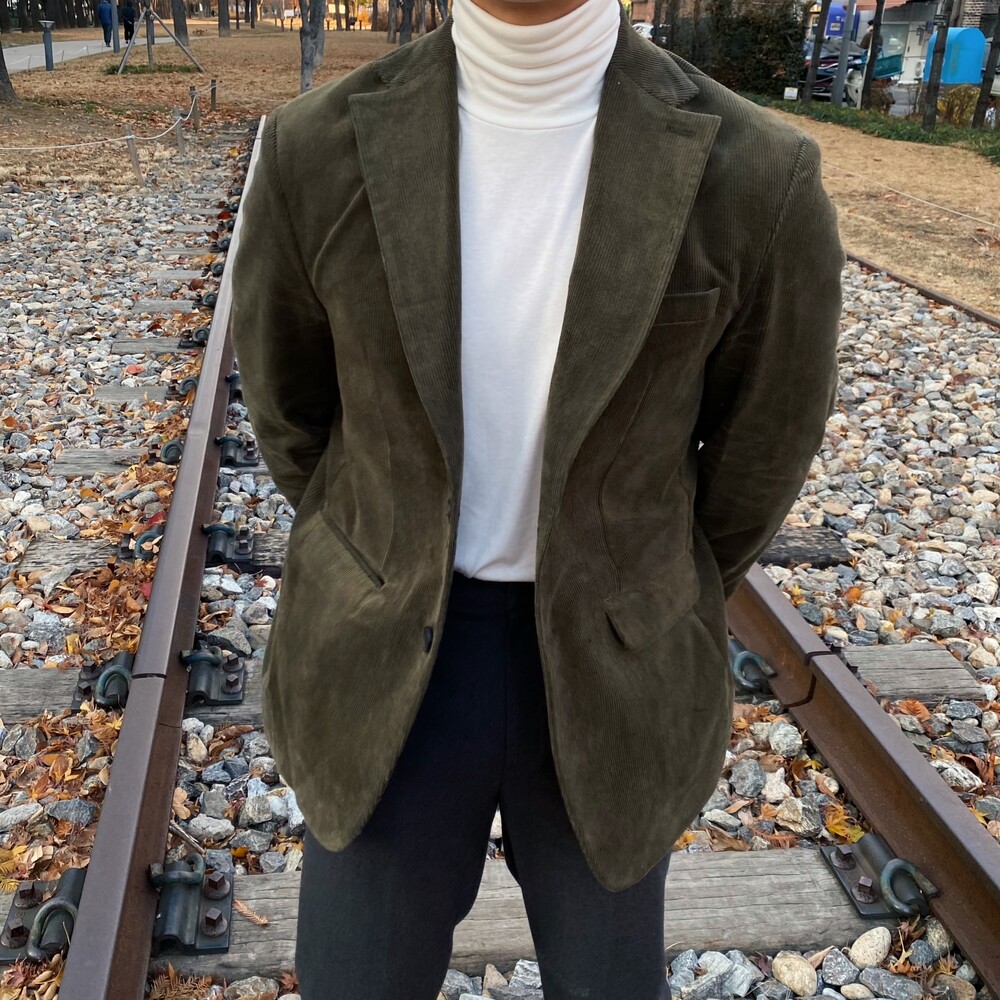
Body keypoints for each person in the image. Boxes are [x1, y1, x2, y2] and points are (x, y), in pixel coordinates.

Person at [230, 0, 844, 996]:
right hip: (385, 662)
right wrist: (387, 547)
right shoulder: (313, 150)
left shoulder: (758, 176)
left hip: (613, 672)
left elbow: (761, 451)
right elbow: (293, 412)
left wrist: (639, 579)